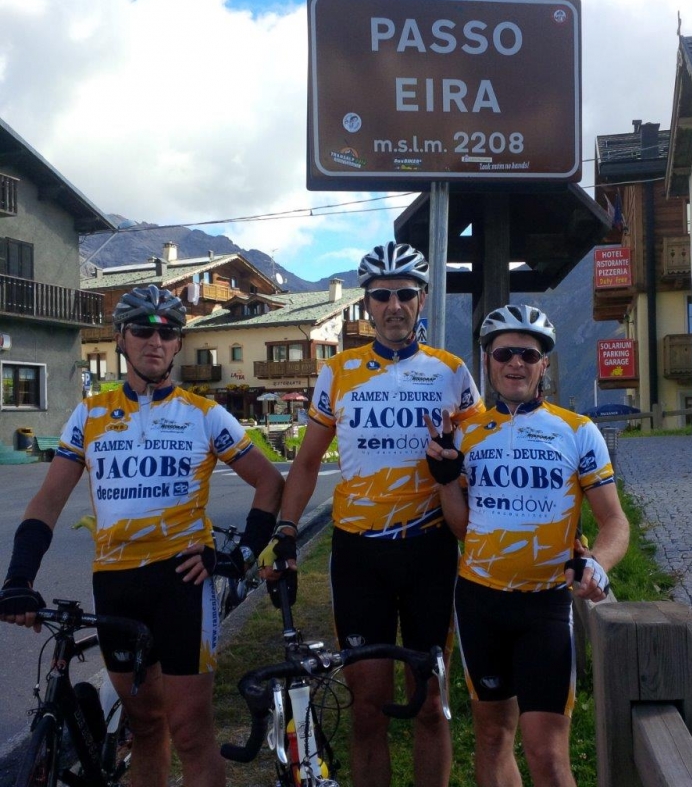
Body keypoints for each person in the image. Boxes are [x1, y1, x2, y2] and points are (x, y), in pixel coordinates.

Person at [0, 285, 284, 787]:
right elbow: (47, 501)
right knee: (147, 727)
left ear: (177, 344)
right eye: (143, 330)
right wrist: (18, 577)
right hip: (116, 585)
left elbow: (269, 482)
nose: (155, 340)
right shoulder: (89, 414)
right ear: (121, 339)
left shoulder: (204, 413)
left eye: (168, 332)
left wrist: (239, 555)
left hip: (182, 584)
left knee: (191, 733)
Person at [273, 242, 485, 787]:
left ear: (422, 300)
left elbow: (484, 455)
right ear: (366, 305)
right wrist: (287, 533)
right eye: (382, 295)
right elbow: (306, 463)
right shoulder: (338, 372)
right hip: (359, 554)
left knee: (428, 698)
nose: (394, 305)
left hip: (429, 550)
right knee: (366, 704)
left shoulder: (451, 371)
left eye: (405, 294)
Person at [424, 304, 630, 787]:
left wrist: (598, 565)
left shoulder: (578, 431)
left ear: (543, 365)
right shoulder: (464, 432)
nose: (515, 362)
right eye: (504, 353)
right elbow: (461, 529)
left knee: (547, 752)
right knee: (493, 740)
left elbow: (614, 522)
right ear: (488, 360)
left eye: (528, 354)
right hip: (480, 601)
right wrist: (446, 483)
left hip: (545, 607)